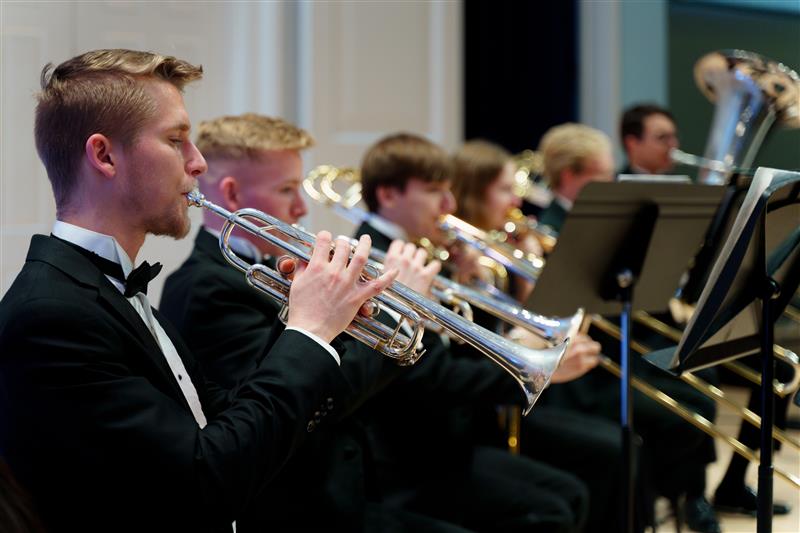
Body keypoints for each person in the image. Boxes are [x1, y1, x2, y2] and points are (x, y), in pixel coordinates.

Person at [0, 49, 397, 533]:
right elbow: (205, 481)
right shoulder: (51, 314)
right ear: (104, 155)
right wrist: (309, 333)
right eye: (176, 140)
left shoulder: (108, 288)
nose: (198, 164)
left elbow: (227, 418)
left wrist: (307, 318)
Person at [160, 113, 464, 533]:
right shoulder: (205, 288)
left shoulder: (271, 267)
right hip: (294, 508)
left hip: (344, 486)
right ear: (231, 194)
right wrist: (396, 313)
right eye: (286, 190)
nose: (302, 208)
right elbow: (316, 402)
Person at [356, 132, 593, 533]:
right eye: (434, 191)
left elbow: (452, 351)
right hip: (407, 457)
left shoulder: (422, 251)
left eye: (449, 191)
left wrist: (467, 283)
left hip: (447, 437)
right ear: (389, 195)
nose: (449, 206)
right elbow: (426, 377)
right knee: (552, 507)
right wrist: (535, 365)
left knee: (570, 493)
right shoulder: (372, 259)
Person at [535, 123, 723, 533]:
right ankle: (656, 499)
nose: (611, 184)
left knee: (698, 394)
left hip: (616, 350)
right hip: (586, 373)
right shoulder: (547, 226)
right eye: (601, 176)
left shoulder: (600, 220)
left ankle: (682, 497)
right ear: (569, 176)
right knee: (678, 416)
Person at [451, 139, 638, 532]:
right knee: (607, 451)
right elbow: (495, 342)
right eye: (504, 189)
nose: (515, 202)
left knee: (620, 443)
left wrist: (524, 272)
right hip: (492, 406)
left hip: (516, 394)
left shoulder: (497, 246)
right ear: (473, 192)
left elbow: (537, 317)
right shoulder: (457, 255)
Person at [619, 103, 680, 175]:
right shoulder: (612, 184)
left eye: (674, 136)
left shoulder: (684, 185)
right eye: (662, 137)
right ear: (632, 143)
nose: (673, 144)